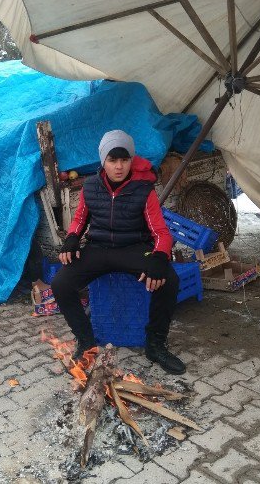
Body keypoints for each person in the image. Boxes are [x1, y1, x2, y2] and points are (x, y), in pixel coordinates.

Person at [50, 130, 185, 374]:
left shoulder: (144, 190)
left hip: (133, 248)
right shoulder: (90, 186)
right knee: (60, 283)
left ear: (131, 160)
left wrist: (159, 257)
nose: (119, 166)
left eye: (124, 160)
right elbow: (80, 217)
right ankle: (86, 342)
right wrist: (71, 238)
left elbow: (161, 233)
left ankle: (155, 344)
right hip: (98, 249)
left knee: (169, 280)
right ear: (104, 161)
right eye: (113, 160)